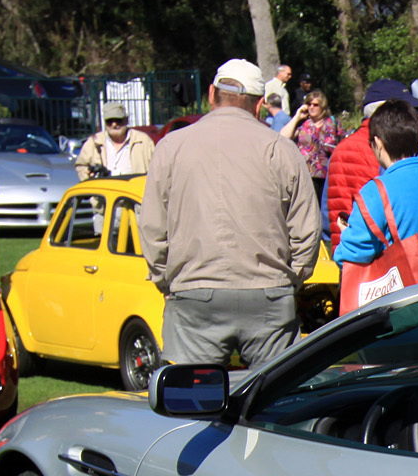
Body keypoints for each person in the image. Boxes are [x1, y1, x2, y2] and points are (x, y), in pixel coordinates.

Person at [137, 58, 321, 370]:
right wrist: (292, 280)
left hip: (194, 292)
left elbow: (152, 226)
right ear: (260, 104)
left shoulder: (172, 147)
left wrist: (165, 280)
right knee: (273, 404)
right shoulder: (280, 148)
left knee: (192, 405)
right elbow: (307, 230)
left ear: (211, 94)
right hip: (268, 293)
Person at [332, 99, 418, 282]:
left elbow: (351, 256)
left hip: (396, 304)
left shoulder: (374, 192)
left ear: (378, 143)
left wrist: (346, 235)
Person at [326, 79, 418, 239]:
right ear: (387, 112)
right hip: (387, 251)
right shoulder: (392, 145)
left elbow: (326, 209)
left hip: (350, 248)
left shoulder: (341, 148)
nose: (414, 116)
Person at [281, 89, 341, 208]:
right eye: (309, 104)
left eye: (316, 105)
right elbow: (283, 137)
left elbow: (341, 144)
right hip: (305, 172)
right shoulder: (304, 124)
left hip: (325, 174)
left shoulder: (332, 123)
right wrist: (297, 117)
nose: (312, 107)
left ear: (322, 106)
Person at [73, 103, 155, 178]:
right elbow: (80, 166)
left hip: (134, 192)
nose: (114, 124)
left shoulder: (143, 141)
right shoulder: (94, 142)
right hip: (104, 191)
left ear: (126, 120)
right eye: (109, 121)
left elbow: (157, 170)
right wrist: (87, 175)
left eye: (118, 120)